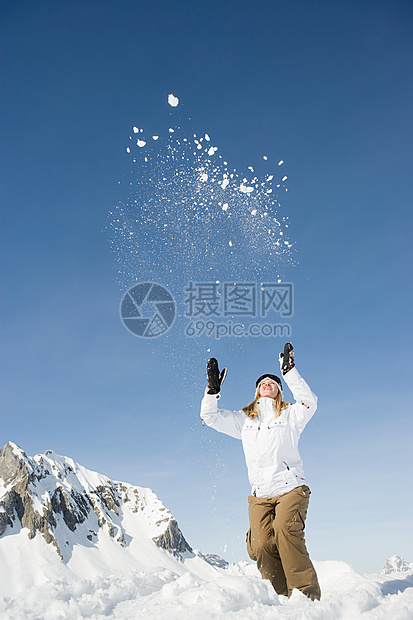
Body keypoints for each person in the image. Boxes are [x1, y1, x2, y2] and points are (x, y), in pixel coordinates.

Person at [200, 344, 321, 601]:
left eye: (273, 382)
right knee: (260, 546)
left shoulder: (290, 414)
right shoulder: (245, 420)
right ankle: (281, 599)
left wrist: (289, 373)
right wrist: (212, 390)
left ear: (278, 390)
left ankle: (308, 600)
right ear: (256, 391)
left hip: (291, 488)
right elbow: (209, 417)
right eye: (263, 382)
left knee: (285, 532)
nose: (267, 383)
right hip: (260, 494)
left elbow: (310, 402)